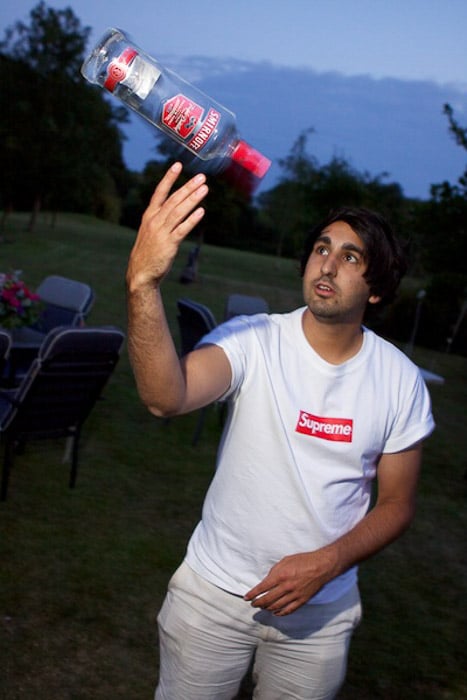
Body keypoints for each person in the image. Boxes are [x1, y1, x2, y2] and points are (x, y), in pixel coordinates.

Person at [126, 162, 435, 700]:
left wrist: (329, 562)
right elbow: (164, 397)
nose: (328, 264)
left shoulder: (401, 383)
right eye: (322, 248)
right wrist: (143, 283)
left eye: (351, 257)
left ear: (377, 290)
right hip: (214, 595)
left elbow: (397, 504)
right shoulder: (252, 340)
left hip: (319, 616)